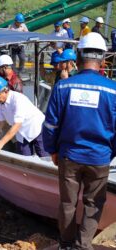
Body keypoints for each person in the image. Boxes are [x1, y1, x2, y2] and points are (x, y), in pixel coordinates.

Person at [43, 32, 116, 250]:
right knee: (94, 204)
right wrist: (109, 154)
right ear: (103, 60)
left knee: (67, 203)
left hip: (69, 157)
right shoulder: (113, 90)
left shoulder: (63, 87)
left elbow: (50, 126)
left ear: (78, 57)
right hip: (99, 158)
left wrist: (52, 150)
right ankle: (84, 246)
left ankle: (66, 245)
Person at [0, 76, 48, 157]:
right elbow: (0, 122)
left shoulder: (18, 99)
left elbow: (17, 125)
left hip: (37, 128)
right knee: (23, 159)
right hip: (22, 133)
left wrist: (1, 142)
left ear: (5, 90)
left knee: (44, 157)